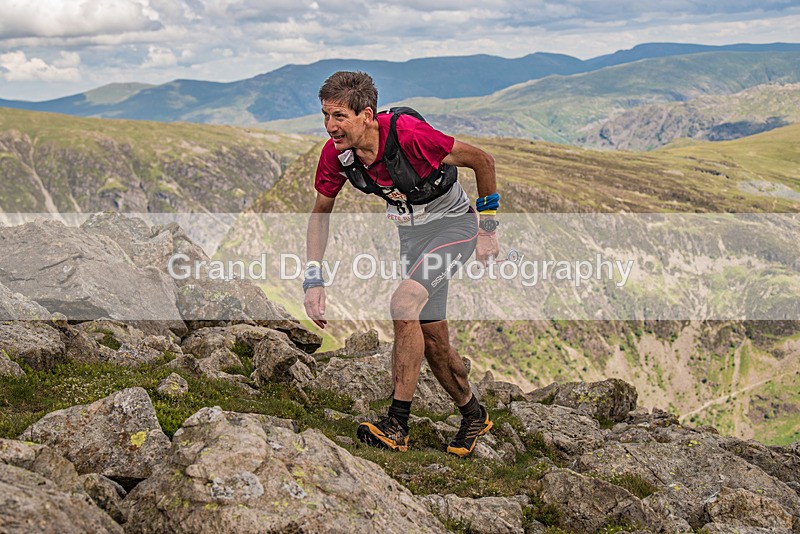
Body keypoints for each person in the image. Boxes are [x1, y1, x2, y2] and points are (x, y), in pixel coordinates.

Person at [303, 71, 500, 457]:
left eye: (339, 116)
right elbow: (320, 213)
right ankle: (474, 415)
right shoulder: (337, 155)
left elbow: (482, 160)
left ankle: (397, 423)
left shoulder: (409, 135)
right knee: (433, 340)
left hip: (455, 227)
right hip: (412, 238)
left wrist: (488, 229)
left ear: (367, 114)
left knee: (403, 304)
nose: (330, 126)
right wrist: (314, 277)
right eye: (326, 116)